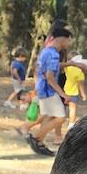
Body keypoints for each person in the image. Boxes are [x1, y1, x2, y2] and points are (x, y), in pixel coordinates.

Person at [23, 27, 72, 156]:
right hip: (48, 90)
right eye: (69, 40)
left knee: (48, 116)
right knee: (60, 117)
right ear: (63, 39)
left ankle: (39, 143)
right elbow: (50, 77)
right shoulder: (54, 55)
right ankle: (36, 137)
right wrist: (63, 94)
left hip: (42, 88)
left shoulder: (46, 51)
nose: (69, 43)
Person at [64, 55, 87, 129]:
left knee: (63, 107)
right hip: (73, 93)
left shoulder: (68, 68)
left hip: (64, 91)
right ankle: (71, 124)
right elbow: (81, 86)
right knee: (72, 109)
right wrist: (83, 95)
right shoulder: (80, 73)